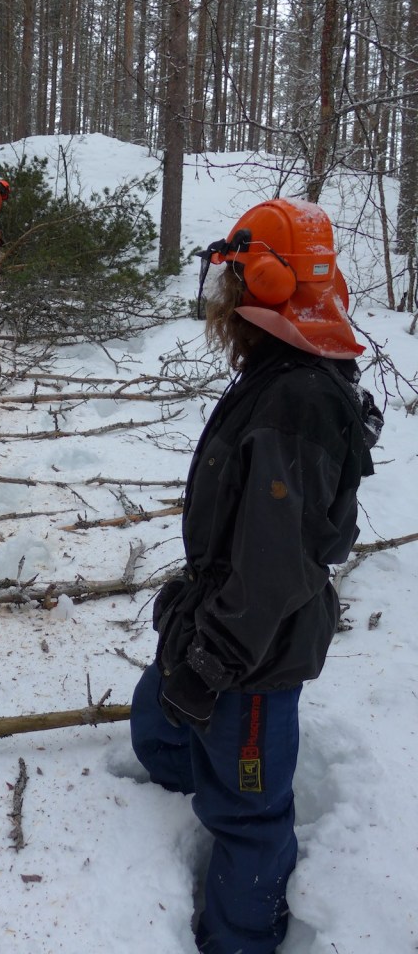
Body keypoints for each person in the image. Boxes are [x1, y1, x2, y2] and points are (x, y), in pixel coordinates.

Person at [130, 197, 383, 954]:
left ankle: (241, 937)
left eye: (234, 282)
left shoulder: (295, 402)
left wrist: (215, 659)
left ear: (266, 287)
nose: (223, 301)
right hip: (222, 614)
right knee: (158, 725)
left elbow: (276, 569)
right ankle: (168, 820)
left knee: (249, 816)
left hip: (254, 651)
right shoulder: (284, 377)